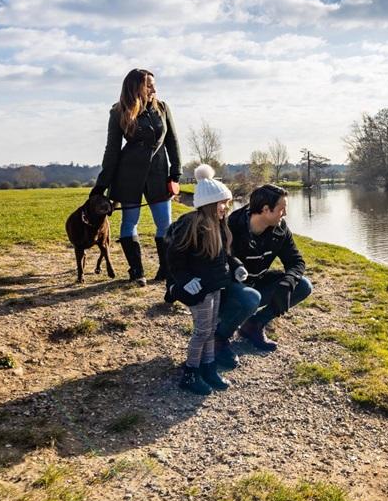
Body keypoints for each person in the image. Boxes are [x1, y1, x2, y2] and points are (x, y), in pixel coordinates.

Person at [165, 165, 260, 395]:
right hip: (199, 290)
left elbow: (224, 256)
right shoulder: (191, 226)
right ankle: (190, 372)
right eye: (222, 203)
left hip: (215, 286)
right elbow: (174, 259)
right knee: (201, 331)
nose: (226, 207)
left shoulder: (218, 225)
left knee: (211, 329)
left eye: (227, 203)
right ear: (209, 204)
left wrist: (236, 267)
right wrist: (186, 281)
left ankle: (208, 367)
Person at [90, 69, 181, 286]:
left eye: (154, 84)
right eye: (148, 85)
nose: (154, 89)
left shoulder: (162, 108)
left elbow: (173, 142)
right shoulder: (118, 111)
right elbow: (112, 150)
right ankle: (137, 271)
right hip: (128, 174)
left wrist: (175, 174)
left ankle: (166, 270)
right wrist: (101, 185)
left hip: (159, 174)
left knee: (165, 224)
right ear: (135, 87)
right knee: (129, 222)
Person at [216, 183, 312, 367]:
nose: (285, 214)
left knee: (303, 285)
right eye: (281, 209)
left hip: (256, 284)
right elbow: (218, 265)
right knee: (250, 298)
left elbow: (296, 262)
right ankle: (218, 338)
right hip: (229, 291)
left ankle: (254, 325)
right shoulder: (231, 226)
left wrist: (287, 284)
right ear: (266, 209)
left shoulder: (280, 228)